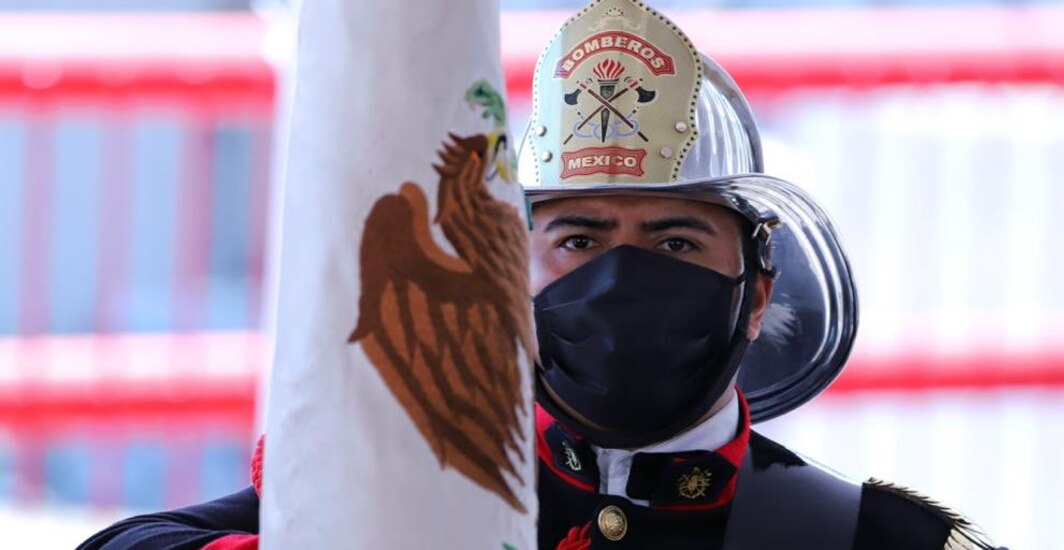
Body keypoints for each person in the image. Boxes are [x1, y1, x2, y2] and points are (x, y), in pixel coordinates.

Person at [79, 1, 1005, 548]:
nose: (623, 277)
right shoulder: (426, 478)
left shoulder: (866, 541)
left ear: (757, 292)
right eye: (581, 240)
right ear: (508, 280)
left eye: (678, 242)